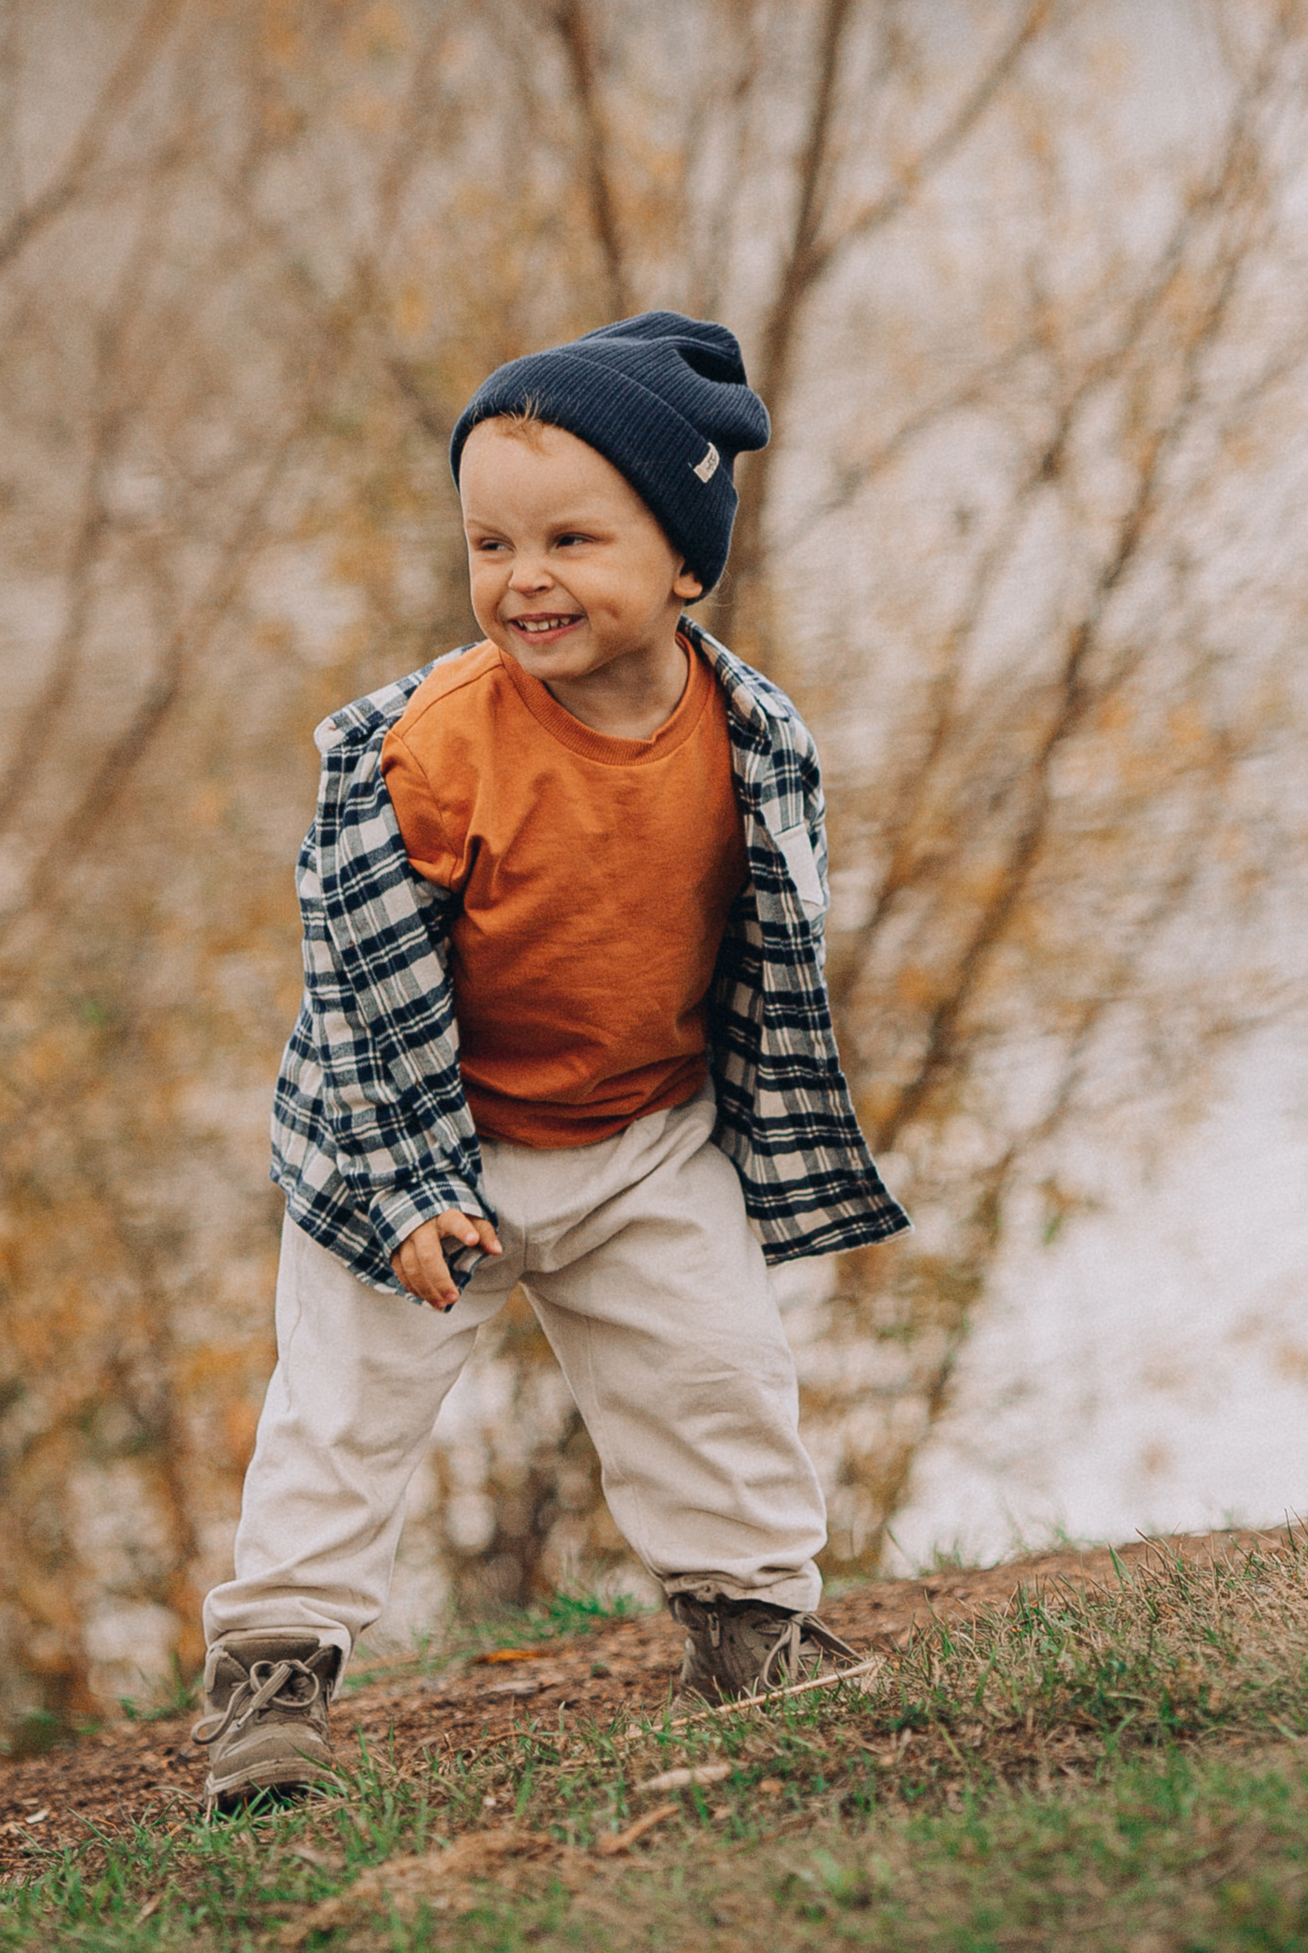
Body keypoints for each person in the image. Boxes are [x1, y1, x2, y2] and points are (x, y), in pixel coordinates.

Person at [195, 308, 908, 1813]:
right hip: (422, 1151)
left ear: (685, 564)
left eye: (574, 541)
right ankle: (272, 1685)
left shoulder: (753, 736)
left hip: (643, 1135)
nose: (524, 580)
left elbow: (764, 962)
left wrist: (739, 1135)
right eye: (491, 544)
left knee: (718, 1382)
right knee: (343, 1416)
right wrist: (406, 1196)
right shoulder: (425, 753)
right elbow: (363, 1006)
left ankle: (753, 1626)